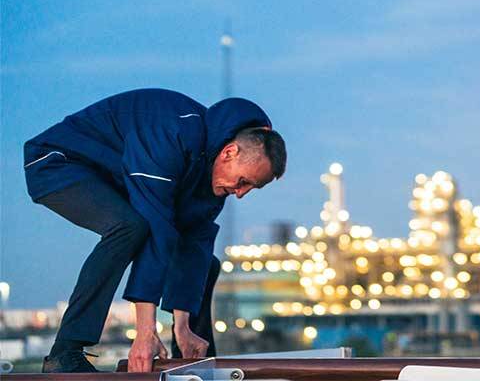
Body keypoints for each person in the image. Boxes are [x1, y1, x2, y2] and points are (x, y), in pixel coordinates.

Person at [24, 88, 287, 373]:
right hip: (57, 162)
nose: (240, 193)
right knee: (131, 227)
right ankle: (65, 352)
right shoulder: (172, 131)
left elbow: (193, 246)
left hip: (116, 177)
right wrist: (145, 332)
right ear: (229, 152)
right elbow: (155, 229)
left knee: (205, 264)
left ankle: (189, 357)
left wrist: (183, 327)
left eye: (251, 188)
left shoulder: (214, 175)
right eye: (243, 181)